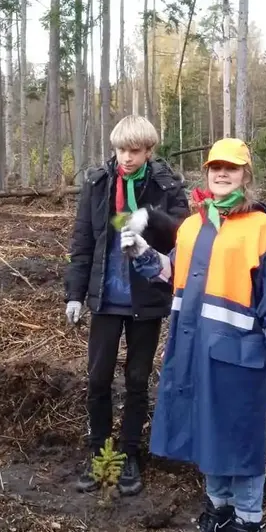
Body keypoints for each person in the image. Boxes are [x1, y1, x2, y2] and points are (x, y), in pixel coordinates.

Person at [123, 138, 266, 532]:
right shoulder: (191, 226)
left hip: (241, 352)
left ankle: (249, 519)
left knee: (239, 433)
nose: (222, 174)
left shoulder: (264, 228)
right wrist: (143, 253)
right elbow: (174, 274)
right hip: (193, 347)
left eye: (232, 168)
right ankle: (218, 509)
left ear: (246, 175)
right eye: (215, 168)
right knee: (207, 426)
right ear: (206, 173)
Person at [65, 115, 189, 497]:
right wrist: (74, 293)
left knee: (137, 379)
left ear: (149, 150)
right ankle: (100, 451)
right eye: (121, 150)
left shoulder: (166, 185)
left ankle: (130, 452)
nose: (126, 158)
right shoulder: (99, 184)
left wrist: (151, 216)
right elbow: (83, 241)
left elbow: (185, 233)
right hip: (105, 299)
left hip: (147, 298)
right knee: (98, 379)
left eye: (135, 151)